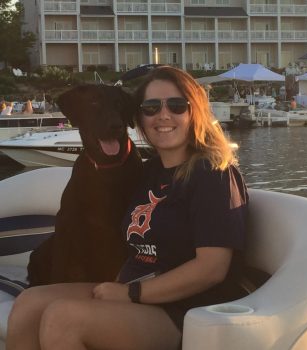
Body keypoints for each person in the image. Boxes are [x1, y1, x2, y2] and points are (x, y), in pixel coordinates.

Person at [7, 66, 249, 350]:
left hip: (184, 309)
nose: (163, 115)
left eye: (176, 105)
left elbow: (212, 269)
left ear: (194, 111)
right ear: (139, 119)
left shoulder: (212, 173)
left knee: (62, 318)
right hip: (133, 291)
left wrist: (133, 293)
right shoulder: (148, 173)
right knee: (28, 304)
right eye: (150, 107)